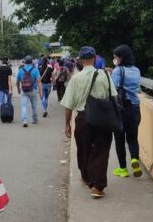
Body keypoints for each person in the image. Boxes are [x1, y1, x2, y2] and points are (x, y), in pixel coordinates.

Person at [60, 47, 117, 198]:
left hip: (83, 118)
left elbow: (69, 104)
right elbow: (113, 95)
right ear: (94, 59)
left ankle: (86, 177)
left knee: (83, 149)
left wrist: (67, 124)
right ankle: (97, 187)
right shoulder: (105, 75)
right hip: (102, 117)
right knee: (101, 149)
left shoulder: (76, 78)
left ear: (80, 60)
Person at [111, 45, 143, 178]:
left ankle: (123, 169)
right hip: (135, 108)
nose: (115, 59)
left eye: (116, 57)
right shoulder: (136, 70)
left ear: (122, 57)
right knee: (133, 137)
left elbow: (113, 88)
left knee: (119, 139)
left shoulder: (118, 70)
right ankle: (134, 159)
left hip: (122, 109)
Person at [16, 55, 41, 128]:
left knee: (24, 106)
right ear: (32, 61)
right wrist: (40, 91)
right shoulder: (35, 69)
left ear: (25, 61)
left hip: (24, 90)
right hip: (33, 90)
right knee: (34, 106)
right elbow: (39, 82)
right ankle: (35, 119)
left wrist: (18, 89)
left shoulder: (21, 70)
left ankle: (24, 121)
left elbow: (17, 81)